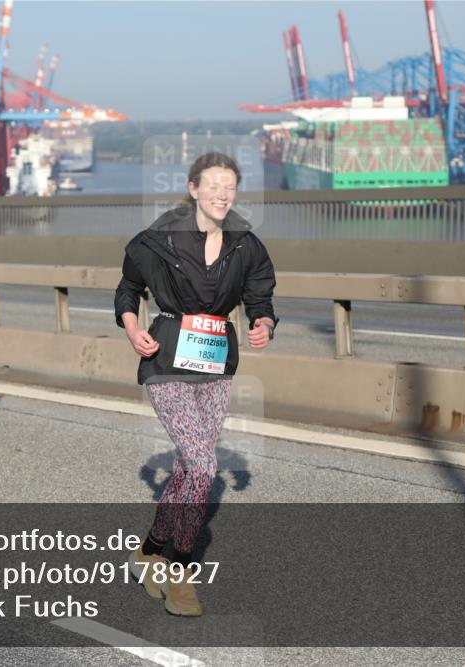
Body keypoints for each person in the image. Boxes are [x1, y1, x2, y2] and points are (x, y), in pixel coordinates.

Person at [115, 152, 278, 616]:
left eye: (230, 186)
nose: (222, 194)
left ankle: (147, 553)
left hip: (216, 359)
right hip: (165, 356)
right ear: (193, 189)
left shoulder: (245, 243)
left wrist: (264, 321)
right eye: (214, 186)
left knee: (190, 468)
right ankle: (180, 572)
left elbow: (259, 293)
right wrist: (131, 326)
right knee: (205, 466)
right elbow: (128, 289)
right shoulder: (158, 239)